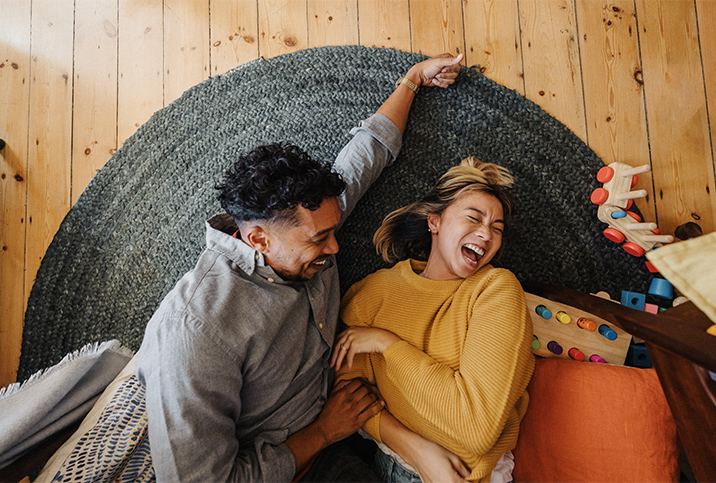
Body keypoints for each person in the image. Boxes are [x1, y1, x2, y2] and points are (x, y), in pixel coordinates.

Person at [134, 52, 465, 482]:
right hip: (295, 463)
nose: (336, 247)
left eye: (332, 229)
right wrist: (324, 431)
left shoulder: (304, 222)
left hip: (346, 416)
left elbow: (368, 152)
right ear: (257, 240)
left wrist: (412, 80)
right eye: (319, 240)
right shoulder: (196, 331)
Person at [331, 157, 536, 483]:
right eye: (474, 218)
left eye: (497, 229)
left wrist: (387, 343)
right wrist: (414, 447)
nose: (486, 234)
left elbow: (474, 430)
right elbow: (347, 396)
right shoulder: (374, 293)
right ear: (435, 222)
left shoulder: (494, 290)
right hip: (392, 465)